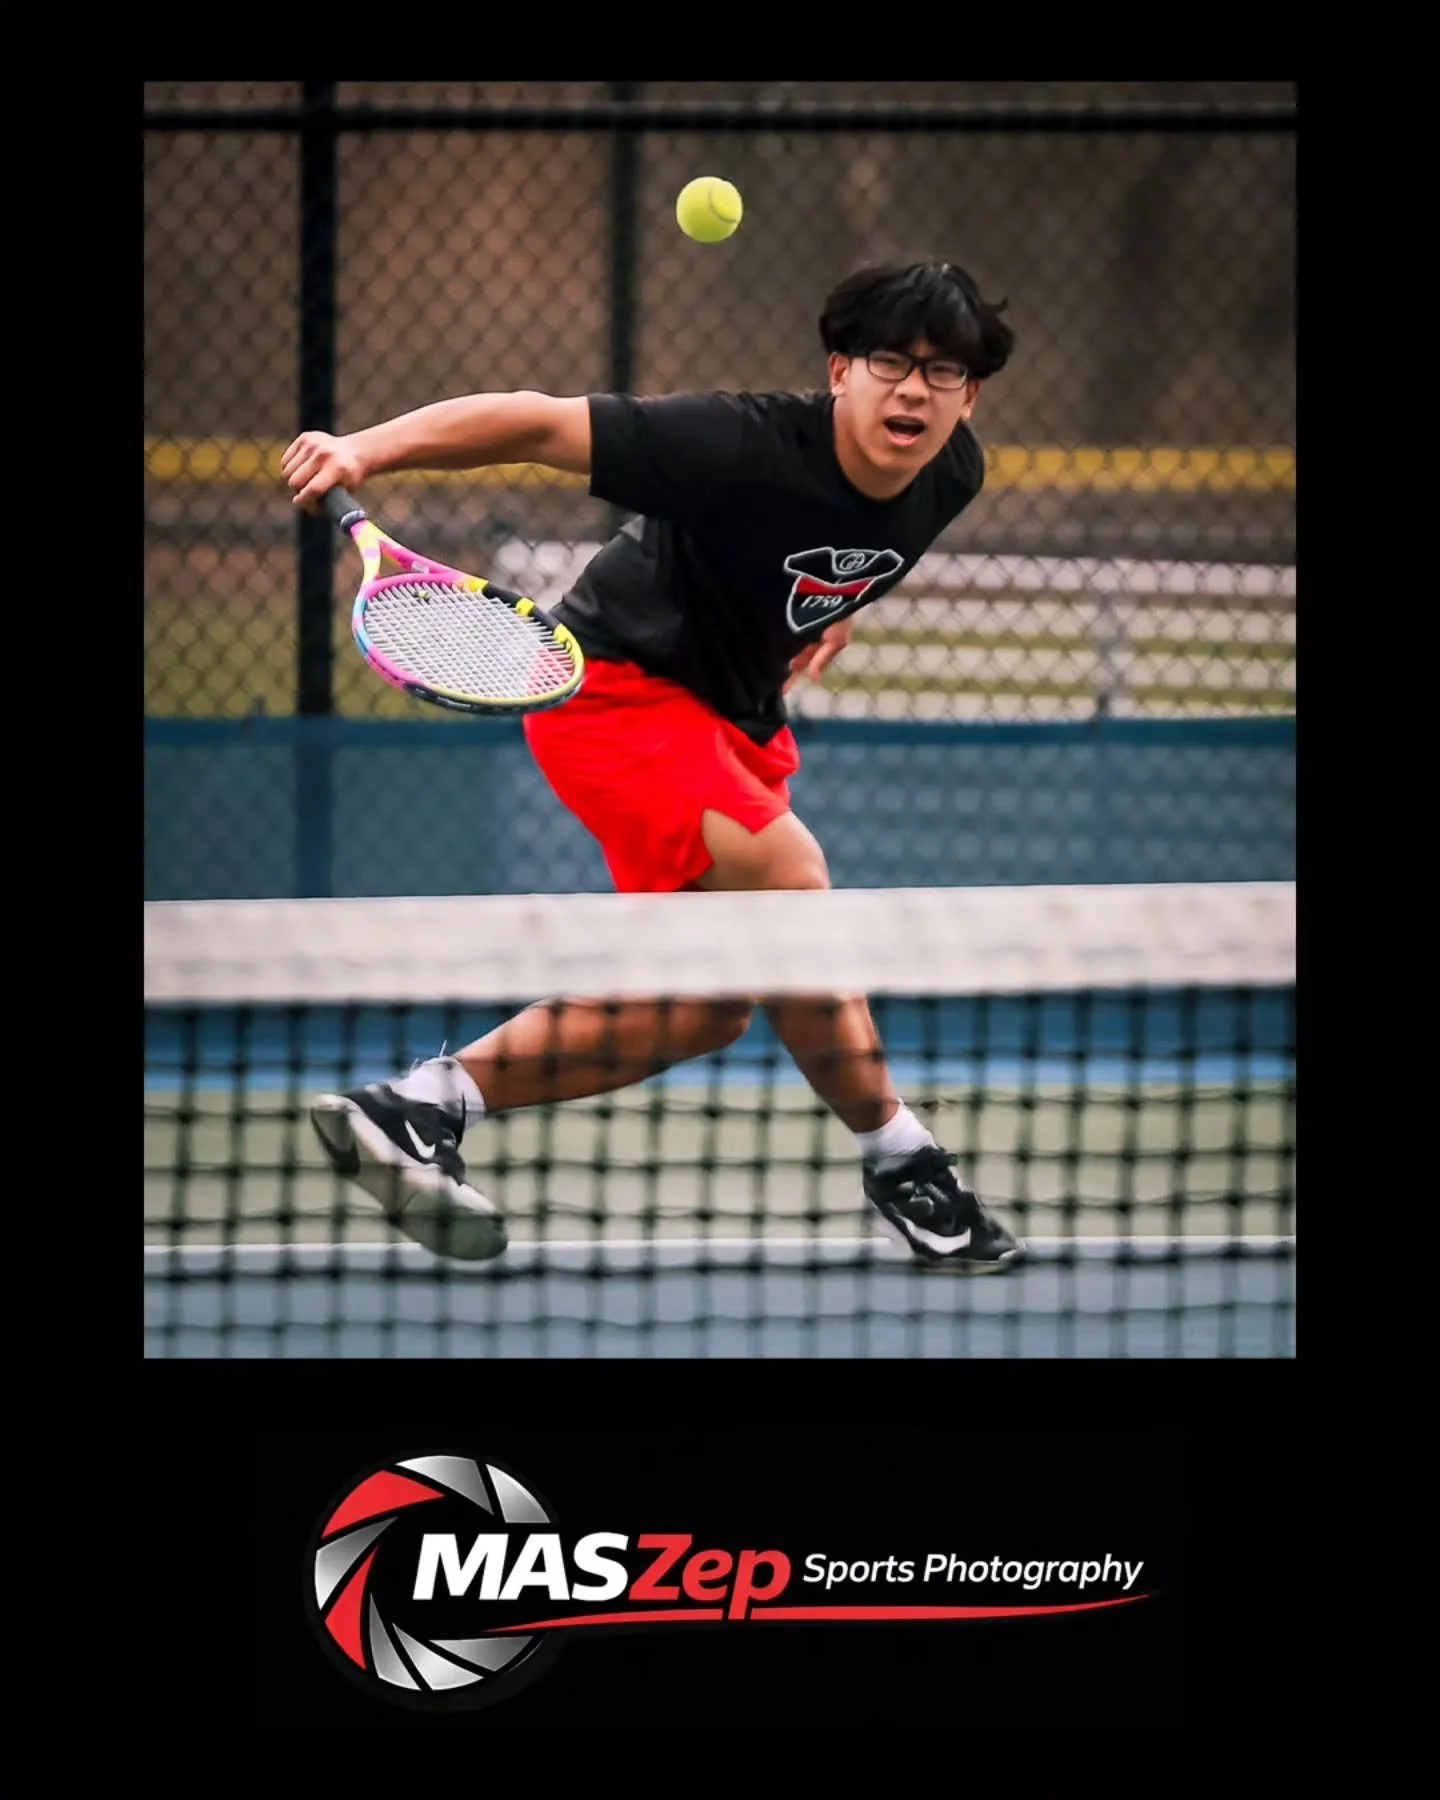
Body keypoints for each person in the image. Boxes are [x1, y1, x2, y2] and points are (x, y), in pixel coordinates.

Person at [283, 257, 1024, 1273]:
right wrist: (364, 448)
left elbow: (837, 550)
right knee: (793, 882)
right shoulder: (734, 444)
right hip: (613, 696)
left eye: (943, 372)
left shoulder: (953, 473)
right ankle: (907, 1163)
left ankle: (421, 1106)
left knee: (710, 1006)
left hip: (735, 721)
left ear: (971, 393)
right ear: (840, 368)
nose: (913, 389)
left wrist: (831, 616)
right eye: (890, 360)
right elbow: (537, 422)